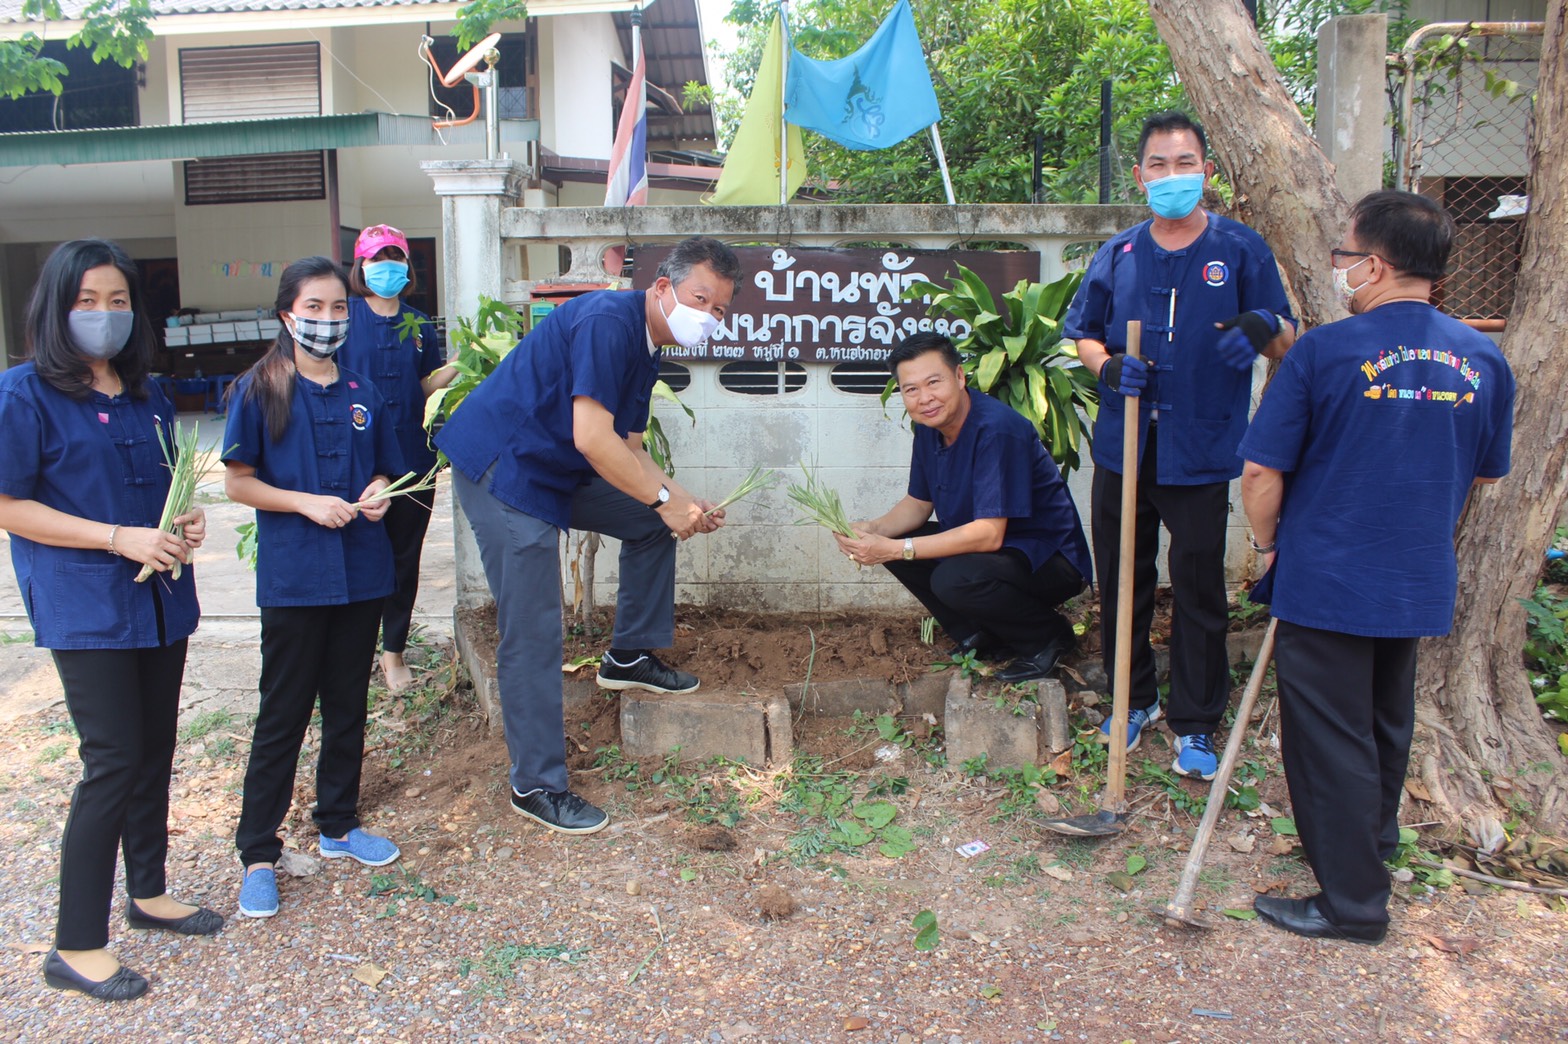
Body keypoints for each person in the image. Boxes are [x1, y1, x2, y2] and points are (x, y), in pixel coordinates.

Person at [1239, 191, 1513, 943]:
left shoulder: (1326, 352)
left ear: (1377, 264)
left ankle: (1353, 904)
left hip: (1327, 574)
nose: (1339, 269)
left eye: (1344, 255)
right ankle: (1371, 851)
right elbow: (1485, 476)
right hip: (1416, 574)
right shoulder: (1483, 357)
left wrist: (1268, 548)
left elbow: (1262, 474)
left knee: (1330, 739)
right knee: (1384, 724)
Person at [434, 236, 738, 835]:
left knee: (652, 521)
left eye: (720, 310)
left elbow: (625, 445)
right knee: (534, 626)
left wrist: (677, 500)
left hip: (557, 468)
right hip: (504, 469)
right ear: (661, 288)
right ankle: (536, 784)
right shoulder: (607, 322)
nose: (708, 317)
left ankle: (628, 655)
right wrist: (665, 501)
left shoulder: (648, 343)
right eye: (700, 299)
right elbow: (593, 439)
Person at [0, 238, 221, 1001]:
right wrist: (115, 536)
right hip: (86, 605)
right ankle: (76, 944)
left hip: (159, 599)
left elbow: (159, 492)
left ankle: (150, 891)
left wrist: (183, 522)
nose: (104, 315)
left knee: (154, 748)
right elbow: (8, 504)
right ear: (57, 308)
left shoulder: (144, 393)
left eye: (118, 301)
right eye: (88, 302)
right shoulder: (23, 393)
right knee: (113, 761)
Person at [1063, 110, 1296, 780]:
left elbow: (1285, 334)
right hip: (1126, 448)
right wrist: (1105, 366)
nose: (1171, 176)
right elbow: (1083, 333)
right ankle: (1132, 701)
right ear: (1140, 177)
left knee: (1198, 589)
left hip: (1198, 451)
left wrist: (1256, 325)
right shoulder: (1119, 254)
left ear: (1206, 172)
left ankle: (1195, 722)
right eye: (1158, 166)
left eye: (1184, 163)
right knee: (1122, 579)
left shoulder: (1240, 250)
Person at [223, 256, 405, 919]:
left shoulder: (362, 392)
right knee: (284, 715)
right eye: (314, 309)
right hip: (297, 579)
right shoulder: (260, 389)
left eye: (337, 310)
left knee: (348, 706)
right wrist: (303, 502)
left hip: (361, 572)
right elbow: (236, 481)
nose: (327, 321)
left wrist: (380, 492)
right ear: (286, 315)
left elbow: (385, 468)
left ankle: (337, 826)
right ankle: (258, 852)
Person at [835, 332, 1091, 682]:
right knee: (904, 546)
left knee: (951, 577)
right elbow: (917, 505)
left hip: (1047, 560)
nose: (925, 398)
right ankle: (984, 633)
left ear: (959, 377)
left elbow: (988, 534)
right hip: (996, 554)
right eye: (911, 389)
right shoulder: (929, 429)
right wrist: (871, 532)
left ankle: (1047, 637)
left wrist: (895, 548)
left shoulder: (997, 430)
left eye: (934, 382)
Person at [338, 224, 457, 691]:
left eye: (394, 258)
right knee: (359, 553)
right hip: (355, 457)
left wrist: (462, 365)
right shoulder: (343, 317)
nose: (386, 266)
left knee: (404, 556)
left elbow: (423, 386)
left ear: (407, 266)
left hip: (412, 456)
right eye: (376, 258)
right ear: (361, 267)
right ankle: (353, 646)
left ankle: (393, 653)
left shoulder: (420, 324)